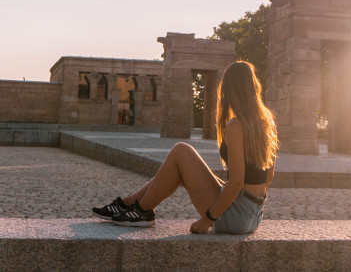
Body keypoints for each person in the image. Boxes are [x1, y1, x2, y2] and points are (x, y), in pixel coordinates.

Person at [92, 61, 279, 234]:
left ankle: (141, 211)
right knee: (179, 165)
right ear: (253, 86)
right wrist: (250, 205)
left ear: (229, 90)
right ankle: (129, 204)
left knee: (181, 151)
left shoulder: (236, 125)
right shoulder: (266, 121)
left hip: (235, 217)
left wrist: (207, 220)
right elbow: (268, 176)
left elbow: (237, 182)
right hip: (253, 215)